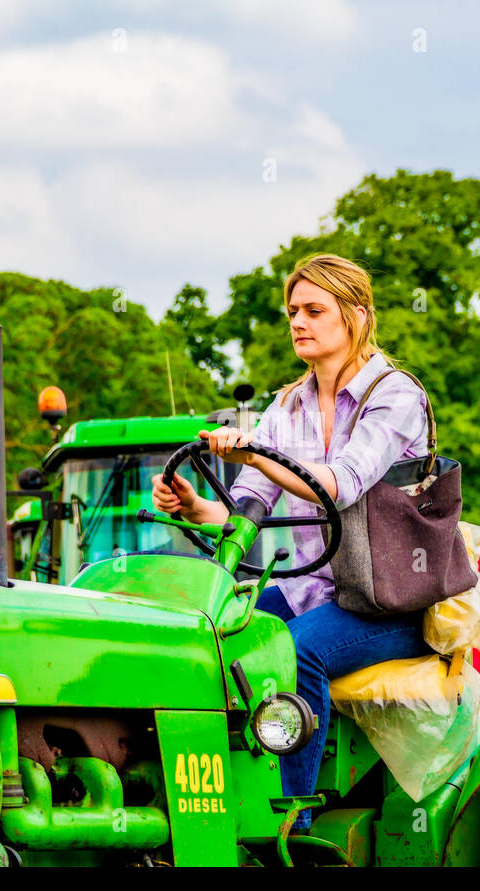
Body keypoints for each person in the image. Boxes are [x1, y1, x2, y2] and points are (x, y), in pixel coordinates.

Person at [151, 253, 432, 828]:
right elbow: (247, 511)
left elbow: (341, 485)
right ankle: (201, 805)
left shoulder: (395, 395)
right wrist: (196, 506)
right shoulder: (288, 405)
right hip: (312, 589)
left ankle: (287, 826)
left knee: (294, 650)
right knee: (207, 636)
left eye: (313, 310)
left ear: (355, 315)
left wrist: (254, 450)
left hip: (386, 597)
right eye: (292, 312)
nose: (298, 322)